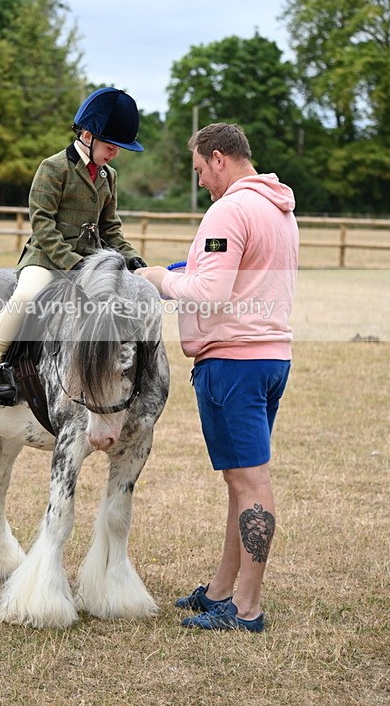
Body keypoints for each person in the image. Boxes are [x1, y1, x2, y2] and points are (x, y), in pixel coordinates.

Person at [135, 122, 299, 633]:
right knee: (240, 479)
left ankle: (246, 609)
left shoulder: (229, 209)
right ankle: (220, 591)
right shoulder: (279, 208)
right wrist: (186, 270)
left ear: (219, 158)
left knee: (250, 482)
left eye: (201, 170)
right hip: (269, 358)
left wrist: (158, 279)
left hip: (234, 364)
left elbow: (209, 292)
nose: (201, 181)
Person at [0, 87, 147, 405]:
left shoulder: (109, 176)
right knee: (26, 297)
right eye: (110, 147)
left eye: (117, 149)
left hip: (90, 262)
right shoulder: (53, 168)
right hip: (47, 258)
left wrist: (133, 259)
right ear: (87, 136)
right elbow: (42, 225)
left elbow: (110, 228)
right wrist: (72, 263)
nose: (114, 154)